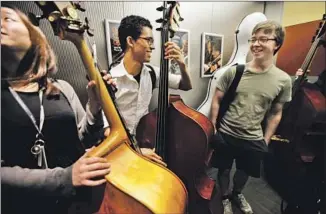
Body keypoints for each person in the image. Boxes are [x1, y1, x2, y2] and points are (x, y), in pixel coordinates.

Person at [1, 4, 112, 214]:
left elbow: (83, 140)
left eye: (8, 18)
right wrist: (64, 177)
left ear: (35, 37)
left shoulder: (61, 88)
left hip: (77, 205)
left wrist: (95, 108)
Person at [210, 20, 292, 214]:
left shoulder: (283, 80)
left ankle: (237, 193)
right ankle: (224, 198)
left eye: (263, 39)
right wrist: (213, 127)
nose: (256, 44)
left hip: (253, 136)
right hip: (227, 132)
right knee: (223, 169)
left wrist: (266, 139)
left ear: (277, 44)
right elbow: (217, 99)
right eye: (253, 39)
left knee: (244, 172)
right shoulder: (234, 72)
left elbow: (276, 112)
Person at [103, 15, 192, 166]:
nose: (152, 46)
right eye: (148, 40)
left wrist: (182, 64)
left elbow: (185, 85)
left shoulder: (152, 73)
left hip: (146, 146)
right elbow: (106, 131)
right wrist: (137, 150)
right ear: (130, 41)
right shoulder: (110, 80)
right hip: (120, 153)